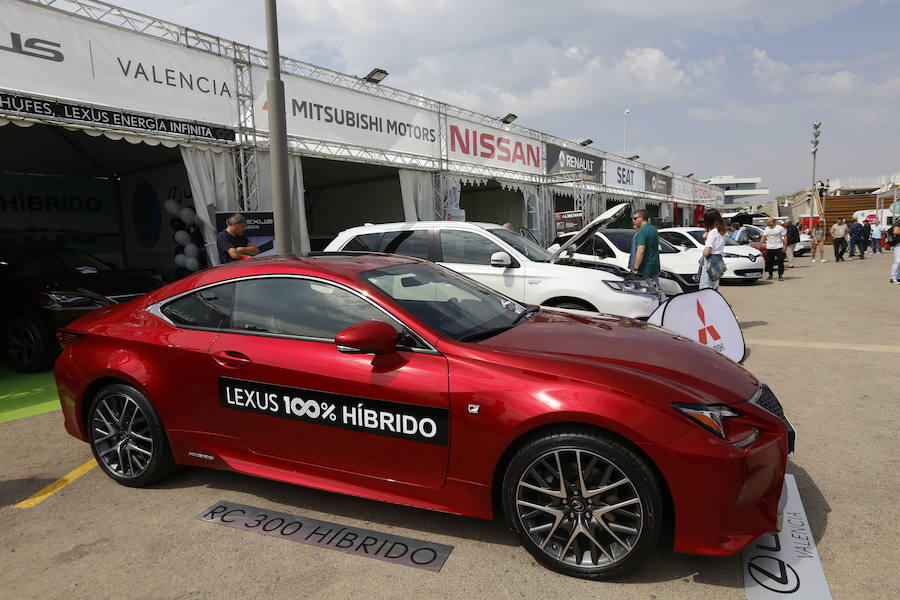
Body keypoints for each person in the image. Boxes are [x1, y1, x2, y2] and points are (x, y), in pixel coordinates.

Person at [629, 209, 665, 300]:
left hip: (644, 267)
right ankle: (665, 305)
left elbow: (640, 250)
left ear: (641, 218)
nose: (633, 221)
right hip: (654, 265)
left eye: (635, 218)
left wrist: (635, 268)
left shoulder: (642, 231)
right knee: (656, 289)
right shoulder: (653, 229)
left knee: (639, 291)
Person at [699, 209, 727, 289]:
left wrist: (704, 250)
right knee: (714, 288)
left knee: (705, 288)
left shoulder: (712, 233)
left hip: (710, 261)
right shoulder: (721, 232)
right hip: (718, 261)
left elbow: (706, 252)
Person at [891, 220, 900, 285]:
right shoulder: (899, 222)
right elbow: (896, 231)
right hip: (898, 244)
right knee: (898, 261)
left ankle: (898, 277)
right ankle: (893, 277)